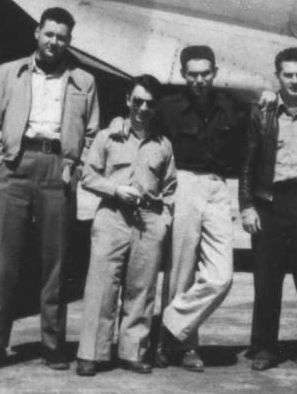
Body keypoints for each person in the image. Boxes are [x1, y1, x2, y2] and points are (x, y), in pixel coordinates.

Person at [0, 7, 99, 372]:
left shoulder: (84, 81)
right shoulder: (9, 72)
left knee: (56, 263)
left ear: (69, 41)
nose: (54, 42)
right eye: (49, 34)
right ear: (37, 33)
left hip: (57, 170)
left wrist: (75, 169)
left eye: (61, 37)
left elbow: (92, 133)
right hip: (16, 166)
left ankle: (52, 344)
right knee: (4, 262)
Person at [239, 48, 297, 371]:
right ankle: (265, 347)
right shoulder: (261, 112)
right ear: (277, 76)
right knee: (267, 279)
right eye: (288, 75)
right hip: (270, 201)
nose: (294, 81)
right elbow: (248, 163)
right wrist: (247, 205)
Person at [76, 75, 176, 376]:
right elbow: (88, 176)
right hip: (112, 216)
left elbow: (170, 187)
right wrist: (115, 190)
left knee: (142, 289)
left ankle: (133, 352)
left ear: (156, 107)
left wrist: (164, 222)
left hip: (149, 221)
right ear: (127, 101)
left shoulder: (163, 145)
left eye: (150, 103)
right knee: (102, 286)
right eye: (137, 101)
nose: (143, 108)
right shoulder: (108, 137)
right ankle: (92, 353)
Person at [154, 45, 246, 371]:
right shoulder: (168, 108)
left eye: (205, 73)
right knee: (181, 269)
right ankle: (184, 346)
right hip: (184, 184)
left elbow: (247, 150)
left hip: (218, 186)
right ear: (183, 75)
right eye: (193, 74)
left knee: (221, 277)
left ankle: (166, 326)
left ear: (215, 73)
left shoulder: (230, 108)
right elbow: (148, 138)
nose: (199, 80)